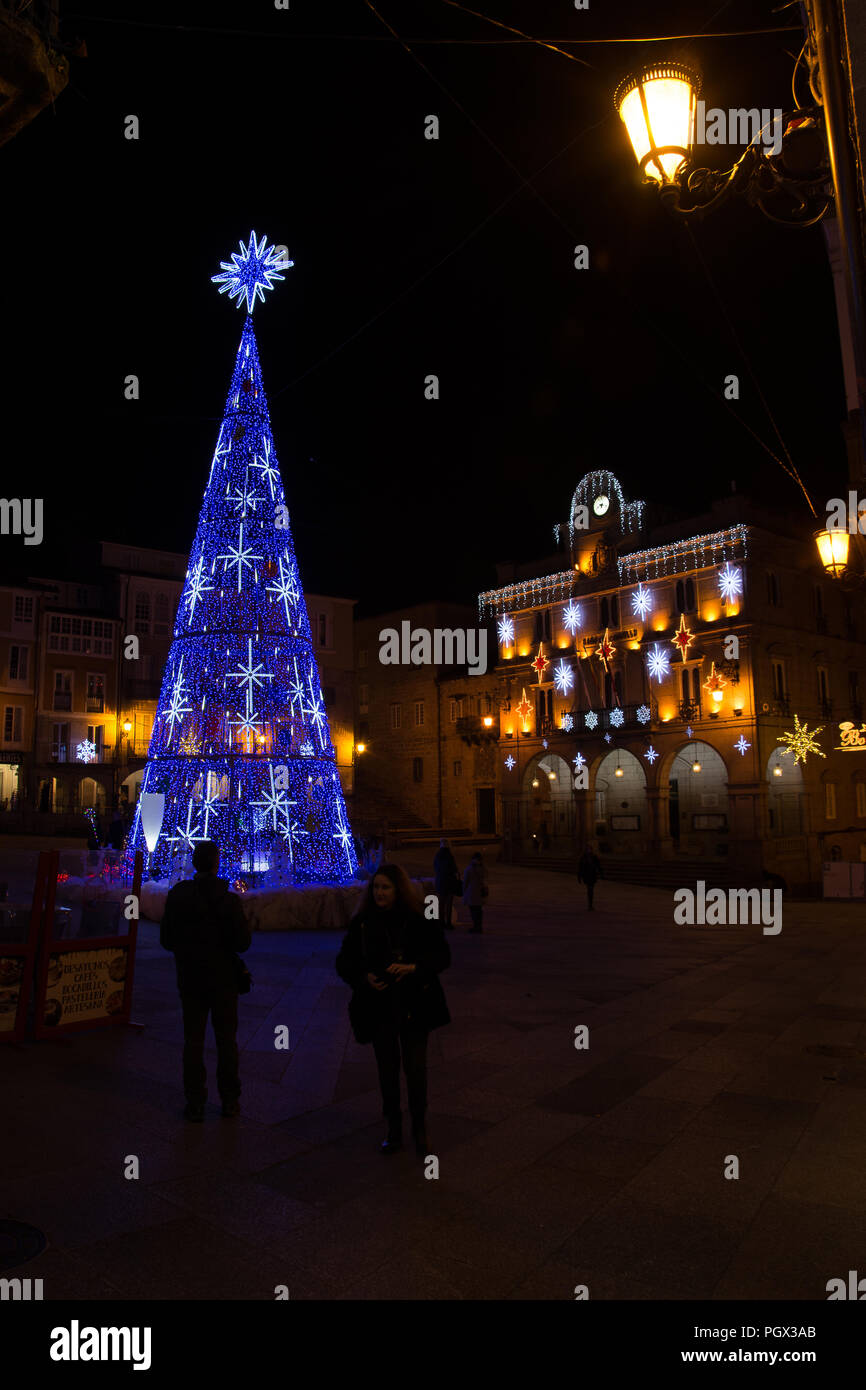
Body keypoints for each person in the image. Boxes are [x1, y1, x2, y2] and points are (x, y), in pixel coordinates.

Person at [336, 864, 450, 1157]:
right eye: (376, 887)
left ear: (398, 889)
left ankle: (419, 1128)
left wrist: (414, 968)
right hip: (380, 1006)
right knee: (387, 1071)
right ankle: (394, 1127)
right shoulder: (362, 922)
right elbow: (344, 962)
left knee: (415, 1070)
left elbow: (442, 955)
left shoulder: (419, 918)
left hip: (414, 1005)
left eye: (385, 887)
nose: (379, 893)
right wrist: (364, 978)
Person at [159, 840, 251, 1122]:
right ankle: (230, 1101)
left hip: (190, 978)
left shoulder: (177, 896)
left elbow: (166, 940)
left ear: (193, 862)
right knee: (226, 1041)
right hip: (223, 980)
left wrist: (188, 949)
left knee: (193, 1041)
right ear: (216, 863)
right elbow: (243, 943)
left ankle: (195, 1102)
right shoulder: (229, 899)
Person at [433, 838, 459, 930]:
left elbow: (435, 867)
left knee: (441, 904)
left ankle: (441, 922)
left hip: (440, 882)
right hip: (449, 883)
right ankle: (448, 923)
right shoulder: (449, 856)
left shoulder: (438, 855)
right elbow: (454, 869)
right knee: (448, 904)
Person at [462, 851, 487, 933]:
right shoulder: (483, 868)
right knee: (479, 911)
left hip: (471, 892)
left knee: (473, 910)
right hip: (480, 892)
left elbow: (465, 882)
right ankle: (479, 927)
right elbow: (485, 879)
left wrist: (464, 892)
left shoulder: (469, 869)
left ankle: (476, 927)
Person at [577, 845, 602, 911]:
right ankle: (590, 904)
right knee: (590, 889)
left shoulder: (594, 857)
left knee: (591, 889)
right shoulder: (583, 858)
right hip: (587, 875)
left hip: (593, 875)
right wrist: (579, 876)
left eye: (590, 849)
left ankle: (590, 904)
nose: (589, 851)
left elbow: (598, 865)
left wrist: (601, 873)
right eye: (588, 849)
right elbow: (580, 868)